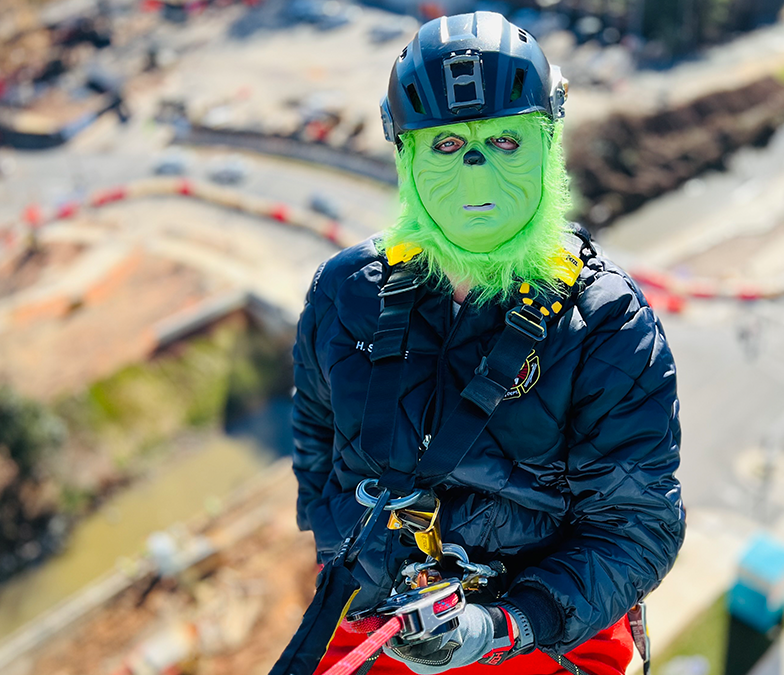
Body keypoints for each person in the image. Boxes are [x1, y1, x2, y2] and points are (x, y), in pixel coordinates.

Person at [292, 12, 685, 674]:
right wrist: (358, 555)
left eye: (505, 142)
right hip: (377, 616)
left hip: (541, 635)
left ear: (548, 145)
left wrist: (505, 624)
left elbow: (636, 525)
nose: (477, 174)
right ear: (406, 155)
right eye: (446, 146)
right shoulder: (344, 294)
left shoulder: (608, 323)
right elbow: (315, 446)